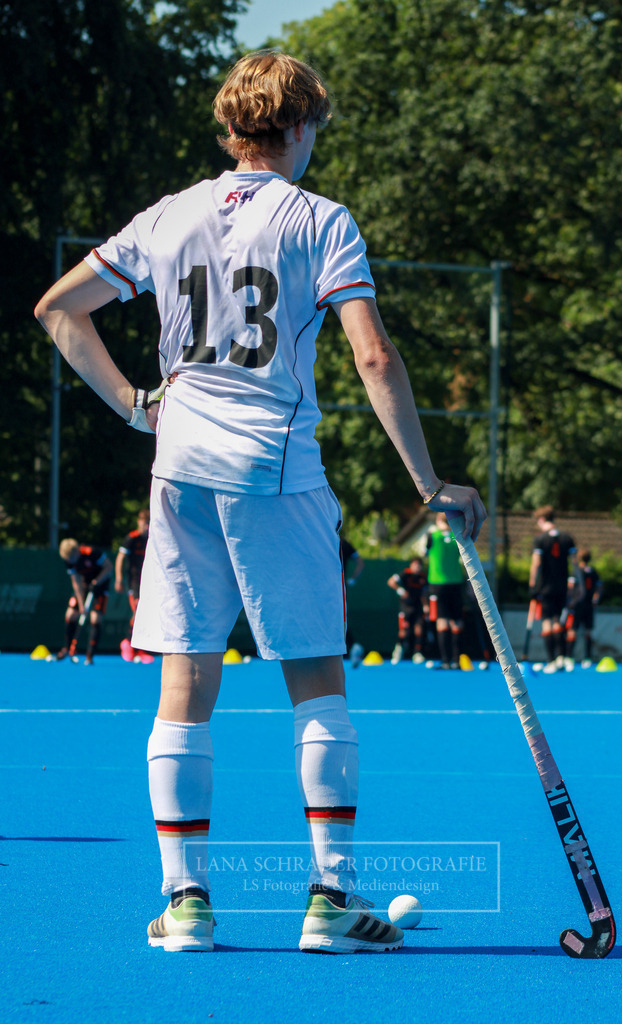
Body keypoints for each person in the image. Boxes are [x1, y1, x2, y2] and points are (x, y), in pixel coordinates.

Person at [35, 51, 486, 955]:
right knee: (315, 676)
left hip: (179, 469)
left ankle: (187, 904)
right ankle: (328, 901)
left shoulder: (168, 216)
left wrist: (134, 407)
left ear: (227, 128)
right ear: (306, 124)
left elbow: (58, 309)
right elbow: (373, 358)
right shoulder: (320, 220)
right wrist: (429, 484)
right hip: (275, 471)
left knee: (184, 681)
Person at [528, 506, 580, 674]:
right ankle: (561, 657)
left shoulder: (539, 540)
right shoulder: (567, 538)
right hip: (562, 587)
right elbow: (575, 564)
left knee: (547, 623)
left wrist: (532, 585)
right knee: (559, 621)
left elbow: (536, 563)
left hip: (545, 588)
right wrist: (576, 583)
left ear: (541, 520)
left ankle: (551, 660)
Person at [420, 511, 466, 670]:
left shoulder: (432, 535)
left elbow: (423, 554)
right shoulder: (457, 536)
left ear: (439, 519)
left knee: (442, 620)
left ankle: (446, 660)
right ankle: (456, 659)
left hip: (438, 584)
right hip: (456, 583)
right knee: (457, 621)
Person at [57, 538, 113, 665]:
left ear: (77, 551)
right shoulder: (68, 560)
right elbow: (76, 582)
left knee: (95, 619)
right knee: (70, 614)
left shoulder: (92, 552)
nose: (70, 561)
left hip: (100, 585)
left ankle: (90, 655)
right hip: (83, 586)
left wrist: (97, 581)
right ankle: (67, 648)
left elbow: (109, 567)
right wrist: (82, 605)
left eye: (72, 558)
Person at [114, 508, 154, 664]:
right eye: (144, 522)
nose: (146, 525)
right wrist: (118, 578)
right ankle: (129, 644)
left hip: (149, 580)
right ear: (139, 522)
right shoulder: (131, 538)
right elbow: (120, 558)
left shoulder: (153, 537)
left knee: (144, 614)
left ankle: (137, 647)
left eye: (148, 522)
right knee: (138, 610)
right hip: (134, 582)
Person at [565, 548, 602, 669]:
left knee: (573, 630)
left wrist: (570, 601)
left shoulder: (577, 571)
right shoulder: (593, 571)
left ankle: (569, 657)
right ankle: (587, 658)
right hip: (589, 606)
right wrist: (595, 599)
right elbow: (598, 589)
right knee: (588, 631)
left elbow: (570, 588)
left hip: (578, 605)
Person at [387, 556, 427, 664]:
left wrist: (425, 605)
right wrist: (400, 590)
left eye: (419, 565)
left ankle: (417, 653)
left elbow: (423, 593)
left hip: (417, 607)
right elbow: (390, 581)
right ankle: (398, 651)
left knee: (419, 629)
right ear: (411, 565)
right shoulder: (405, 573)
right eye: (415, 565)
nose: (417, 567)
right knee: (403, 630)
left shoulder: (422, 577)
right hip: (405, 607)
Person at [340, 536, 365, 667]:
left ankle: (353, 645)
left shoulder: (341, 543)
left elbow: (360, 563)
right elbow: (360, 563)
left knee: (336, 619)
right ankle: (353, 645)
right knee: (337, 618)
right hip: (337, 587)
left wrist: (352, 580)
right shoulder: (342, 541)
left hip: (333, 587)